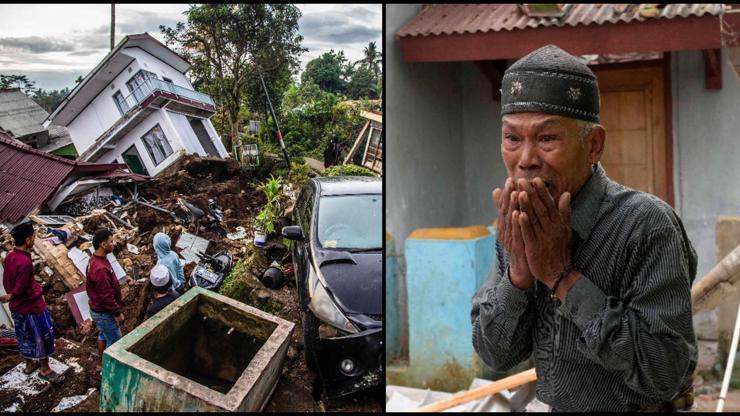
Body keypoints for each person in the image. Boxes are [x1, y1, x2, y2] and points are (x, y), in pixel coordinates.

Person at [470, 44, 697, 412]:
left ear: (593, 146)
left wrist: (563, 277)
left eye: (547, 139)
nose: (526, 161)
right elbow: (494, 354)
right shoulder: (518, 222)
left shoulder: (645, 224)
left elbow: (664, 372)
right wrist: (520, 275)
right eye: (513, 138)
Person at [0, 222, 65, 383]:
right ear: (28, 239)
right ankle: (45, 369)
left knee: (24, 336)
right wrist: (14, 294)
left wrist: (10, 295)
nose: (35, 239)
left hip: (17, 308)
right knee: (43, 336)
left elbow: (8, 282)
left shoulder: (10, 257)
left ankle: (29, 365)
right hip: (31, 307)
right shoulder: (25, 263)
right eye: (33, 237)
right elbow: (21, 288)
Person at [86, 228, 123, 378]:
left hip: (98, 309)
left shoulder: (96, 260)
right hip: (103, 312)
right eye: (111, 241)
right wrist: (117, 313)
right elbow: (106, 295)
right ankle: (107, 373)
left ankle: (101, 364)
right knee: (115, 341)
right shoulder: (100, 268)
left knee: (103, 335)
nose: (113, 244)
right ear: (103, 244)